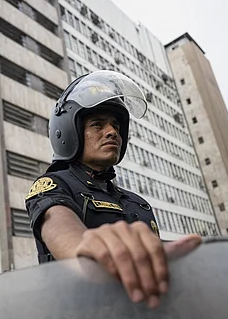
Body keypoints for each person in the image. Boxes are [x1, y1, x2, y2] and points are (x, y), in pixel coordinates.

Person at [25, 70, 202, 309]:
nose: (112, 132)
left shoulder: (136, 202)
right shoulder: (54, 185)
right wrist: (85, 247)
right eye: (98, 124)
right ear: (69, 131)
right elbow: (57, 224)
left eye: (116, 126)